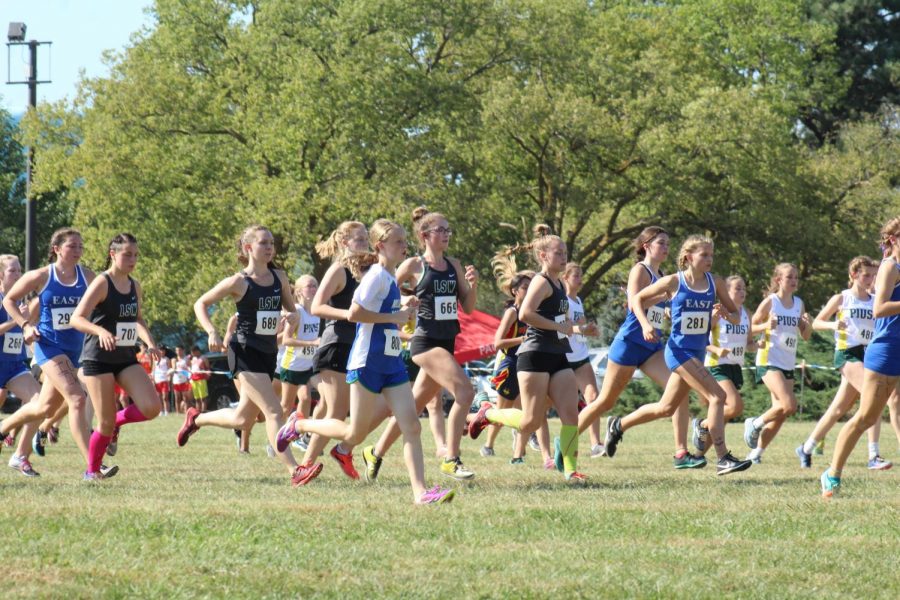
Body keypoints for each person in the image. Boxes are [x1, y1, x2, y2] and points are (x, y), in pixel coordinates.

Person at [276, 219, 455, 504]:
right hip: (367, 361)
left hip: (391, 361)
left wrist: (404, 309)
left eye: (404, 240)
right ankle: (298, 427)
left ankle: (421, 492)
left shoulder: (389, 277)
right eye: (398, 241)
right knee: (352, 432)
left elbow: (383, 315)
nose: (404, 245)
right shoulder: (375, 276)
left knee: (412, 425)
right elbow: (355, 313)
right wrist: (392, 317)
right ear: (381, 246)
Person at [603, 235, 752, 475]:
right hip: (678, 351)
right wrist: (645, 325)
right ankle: (723, 457)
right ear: (688, 257)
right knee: (717, 396)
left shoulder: (715, 283)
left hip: (697, 353)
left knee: (665, 407)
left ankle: (619, 425)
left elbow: (736, 316)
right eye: (704, 255)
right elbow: (637, 300)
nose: (709, 259)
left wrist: (725, 313)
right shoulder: (674, 281)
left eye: (711, 255)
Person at [177, 225, 306, 486]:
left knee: (243, 418)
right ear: (248, 248)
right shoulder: (239, 281)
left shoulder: (279, 277)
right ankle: (295, 470)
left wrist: (292, 317)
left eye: (271, 243)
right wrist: (211, 330)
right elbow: (200, 303)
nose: (270, 248)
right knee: (273, 411)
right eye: (263, 243)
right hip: (243, 351)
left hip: (268, 353)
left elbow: (294, 313)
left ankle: (196, 418)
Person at [365, 207, 479, 481]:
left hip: (447, 340)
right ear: (424, 235)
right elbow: (387, 290)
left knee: (412, 406)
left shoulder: (454, 265)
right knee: (465, 392)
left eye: (448, 230)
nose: (446, 234)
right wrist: (403, 302)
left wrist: (473, 286)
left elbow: (469, 307)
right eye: (440, 230)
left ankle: (375, 452)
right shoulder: (414, 265)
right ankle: (451, 458)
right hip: (425, 342)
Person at [573, 227, 700, 469]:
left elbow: (655, 307)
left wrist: (668, 309)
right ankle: (566, 441)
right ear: (646, 246)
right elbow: (633, 304)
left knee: (679, 391)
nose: (666, 248)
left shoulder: (662, 274)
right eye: (661, 243)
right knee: (605, 402)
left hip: (652, 347)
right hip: (630, 343)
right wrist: (656, 305)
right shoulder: (639, 270)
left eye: (667, 243)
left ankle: (681, 453)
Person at [469, 225, 587, 483]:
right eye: (559, 252)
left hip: (558, 355)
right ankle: (487, 413)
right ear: (543, 256)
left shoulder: (559, 284)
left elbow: (559, 319)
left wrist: (577, 328)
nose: (564, 256)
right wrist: (559, 326)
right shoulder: (541, 282)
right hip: (534, 355)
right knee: (530, 422)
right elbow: (525, 314)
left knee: (570, 414)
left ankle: (570, 470)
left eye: (565, 252)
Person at [0, 228, 102, 475]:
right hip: (47, 348)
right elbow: (9, 302)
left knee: (43, 407)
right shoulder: (42, 276)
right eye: (72, 246)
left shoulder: (87, 277)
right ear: (57, 248)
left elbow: (105, 299)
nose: (78, 250)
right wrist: (24, 325)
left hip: (59, 354)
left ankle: (14, 444)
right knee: (77, 398)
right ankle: (93, 466)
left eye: (80, 246)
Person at [70, 233, 162, 480]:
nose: (133, 260)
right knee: (104, 423)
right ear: (113, 254)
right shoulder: (102, 283)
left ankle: (118, 423)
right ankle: (92, 472)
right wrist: (100, 330)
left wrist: (150, 342)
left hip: (125, 357)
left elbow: (137, 318)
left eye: (135, 255)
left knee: (152, 407)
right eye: (127, 254)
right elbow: (76, 318)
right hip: (98, 358)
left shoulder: (134, 285)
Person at [822, 217, 900, 496]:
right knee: (865, 417)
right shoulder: (890, 267)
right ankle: (832, 473)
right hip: (885, 350)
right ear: (893, 240)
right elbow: (879, 309)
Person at [797, 257, 892, 470]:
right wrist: (833, 325)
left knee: (838, 408)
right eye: (866, 274)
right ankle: (873, 455)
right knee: (872, 395)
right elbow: (816, 323)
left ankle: (807, 447)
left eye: (873, 275)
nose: (870, 279)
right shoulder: (843, 298)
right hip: (847, 353)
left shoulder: (875, 299)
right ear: (853, 275)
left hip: (868, 353)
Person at [298, 221, 370, 478]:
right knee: (337, 413)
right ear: (344, 242)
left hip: (359, 348)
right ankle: (303, 450)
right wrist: (350, 315)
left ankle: (317, 458)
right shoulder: (339, 271)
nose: (364, 243)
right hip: (336, 344)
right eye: (358, 239)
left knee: (349, 410)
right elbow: (317, 307)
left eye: (365, 238)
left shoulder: (368, 270)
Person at [743, 263, 813, 463]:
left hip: (787, 362)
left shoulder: (799, 304)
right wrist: (766, 325)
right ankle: (755, 424)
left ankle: (755, 454)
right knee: (789, 405)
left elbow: (806, 336)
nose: (793, 281)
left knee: (781, 413)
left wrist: (807, 325)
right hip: (769, 359)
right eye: (789, 277)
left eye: (796, 278)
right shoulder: (770, 302)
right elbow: (750, 328)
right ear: (778, 280)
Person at [692, 275, 758, 458]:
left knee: (723, 416)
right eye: (737, 288)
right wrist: (716, 349)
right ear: (726, 293)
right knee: (735, 407)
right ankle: (703, 424)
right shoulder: (717, 312)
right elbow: (699, 339)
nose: (742, 292)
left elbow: (749, 343)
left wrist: (756, 346)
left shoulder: (746, 314)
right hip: (716, 365)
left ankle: (698, 456)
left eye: (744, 288)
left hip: (734, 367)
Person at [482, 261, 535, 463]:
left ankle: (518, 455)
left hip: (527, 365)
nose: (529, 290)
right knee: (502, 412)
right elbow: (498, 343)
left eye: (531, 287)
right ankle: (488, 445)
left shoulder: (531, 312)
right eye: (525, 287)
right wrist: (522, 340)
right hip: (510, 364)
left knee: (525, 413)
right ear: (515, 291)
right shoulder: (512, 313)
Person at [0, 254, 42, 477]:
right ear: (0, 275)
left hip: (14, 366)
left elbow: (21, 335)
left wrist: (30, 333)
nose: (18, 274)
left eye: (19, 270)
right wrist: (16, 321)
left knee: (41, 402)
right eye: (12, 271)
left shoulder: (20, 302)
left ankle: (20, 456)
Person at [561, 262, 603, 457]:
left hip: (581, 357)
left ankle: (596, 444)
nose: (580, 279)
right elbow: (565, 326)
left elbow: (581, 327)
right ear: (565, 277)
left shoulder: (578, 300)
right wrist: (580, 327)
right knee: (546, 405)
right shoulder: (561, 300)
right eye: (576, 275)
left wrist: (590, 331)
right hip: (563, 357)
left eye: (581, 275)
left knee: (593, 398)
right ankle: (523, 436)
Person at [278, 275, 320, 420]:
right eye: (309, 286)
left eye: (315, 285)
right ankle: (274, 439)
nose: (314, 289)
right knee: (286, 406)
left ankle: (299, 436)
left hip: (307, 366)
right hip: (292, 366)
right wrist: (312, 343)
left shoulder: (316, 312)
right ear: (299, 292)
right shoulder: (297, 312)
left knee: (306, 399)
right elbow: (286, 340)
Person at [189, 346, 211, 413]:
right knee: (197, 398)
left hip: (201, 380)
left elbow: (208, 368)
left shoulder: (203, 358)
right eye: (192, 353)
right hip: (194, 380)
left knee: (203, 398)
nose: (192, 354)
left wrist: (207, 374)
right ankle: (197, 412)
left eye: (193, 352)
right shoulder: (192, 359)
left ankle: (204, 412)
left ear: (197, 351)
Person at [171, 345, 193, 413]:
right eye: (177, 350)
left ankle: (186, 412)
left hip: (184, 380)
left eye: (179, 350)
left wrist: (189, 378)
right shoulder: (174, 359)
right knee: (177, 398)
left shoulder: (186, 358)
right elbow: (173, 368)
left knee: (185, 398)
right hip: (176, 381)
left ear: (183, 350)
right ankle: (178, 412)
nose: (178, 352)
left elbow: (190, 369)